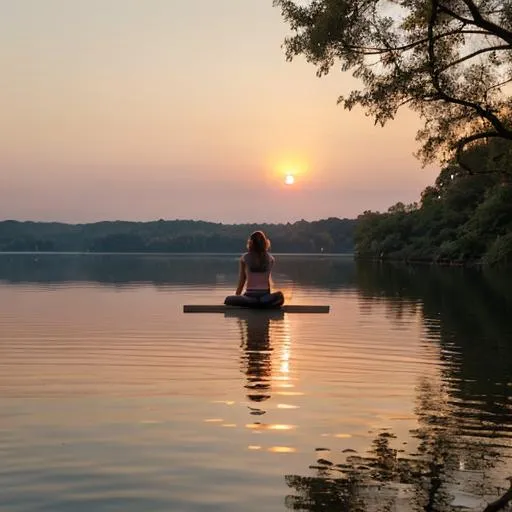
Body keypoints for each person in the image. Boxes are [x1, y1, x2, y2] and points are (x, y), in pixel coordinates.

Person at [224, 231, 285, 309]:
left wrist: (237, 298)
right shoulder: (271, 259)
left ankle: (255, 303)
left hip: (249, 299)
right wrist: (267, 299)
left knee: (228, 299)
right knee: (280, 296)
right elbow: (268, 282)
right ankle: (262, 304)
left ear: (250, 243)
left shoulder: (244, 258)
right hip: (264, 299)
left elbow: (242, 281)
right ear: (265, 242)